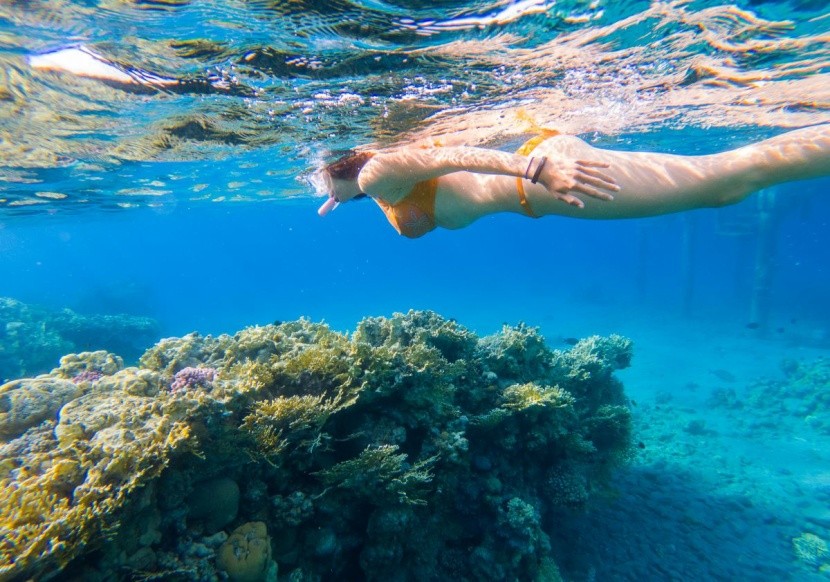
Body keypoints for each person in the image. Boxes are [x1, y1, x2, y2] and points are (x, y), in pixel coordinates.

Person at [315, 124, 830, 238]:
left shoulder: (377, 171)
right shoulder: (372, 184)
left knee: (730, 180)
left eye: (319, 179)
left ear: (337, 162)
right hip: (536, 178)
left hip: (542, 178)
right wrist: (341, 195)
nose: (318, 192)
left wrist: (537, 168)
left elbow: (456, 152)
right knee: (727, 183)